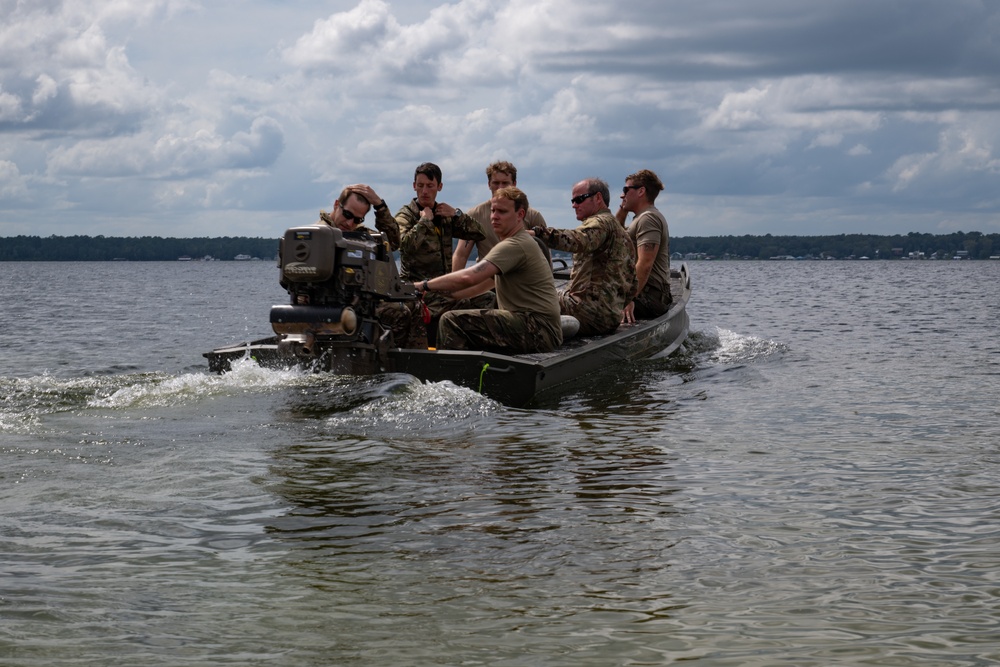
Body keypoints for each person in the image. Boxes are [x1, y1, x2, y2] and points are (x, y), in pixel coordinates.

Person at [416, 187, 562, 353]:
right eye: (493, 211)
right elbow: (483, 285)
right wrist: (442, 296)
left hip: (538, 329)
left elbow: (469, 277)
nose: (494, 217)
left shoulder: (514, 245)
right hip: (538, 327)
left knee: (452, 321)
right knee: (466, 309)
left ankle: (449, 378)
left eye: (502, 211)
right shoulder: (515, 243)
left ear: (520, 215)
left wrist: (424, 285)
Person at [392, 162, 492, 346]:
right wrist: (424, 222)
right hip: (417, 290)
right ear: (414, 186)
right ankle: (445, 348)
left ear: (439, 187)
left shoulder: (444, 214)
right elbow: (404, 246)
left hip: (442, 288)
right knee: (454, 306)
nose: (424, 191)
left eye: (430, 186)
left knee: (488, 298)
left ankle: (476, 344)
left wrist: (456, 214)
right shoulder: (406, 215)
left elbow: (479, 233)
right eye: (420, 186)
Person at [533, 178, 636, 337]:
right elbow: (632, 282)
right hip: (610, 317)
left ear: (598, 198)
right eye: (573, 200)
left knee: (529, 290)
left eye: (579, 199)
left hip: (586, 314)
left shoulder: (599, 222)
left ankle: (531, 330)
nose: (574, 205)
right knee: (556, 292)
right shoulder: (622, 233)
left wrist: (538, 234)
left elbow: (576, 239)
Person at [452, 161, 547, 268]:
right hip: (486, 278)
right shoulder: (475, 215)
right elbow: (461, 255)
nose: (500, 188)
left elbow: (545, 255)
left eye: (505, 183)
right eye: (496, 183)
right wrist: (455, 284)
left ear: (514, 184)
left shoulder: (533, 216)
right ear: (489, 184)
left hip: (520, 279)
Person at [615, 169, 672, 323]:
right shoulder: (640, 218)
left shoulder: (649, 219)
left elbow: (645, 263)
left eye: (626, 190)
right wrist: (624, 205)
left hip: (650, 295)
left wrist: (629, 299)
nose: (622, 194)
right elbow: (616, 232)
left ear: (641, 191)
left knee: (594, 305)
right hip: (643, 291)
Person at [317, 184, 399, 248]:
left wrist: (380, 206)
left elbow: (392, 244)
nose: (349, 224)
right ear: (336, 205)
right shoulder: (318, 235)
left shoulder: (361, 235)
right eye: (347, 214)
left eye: (357, 220)